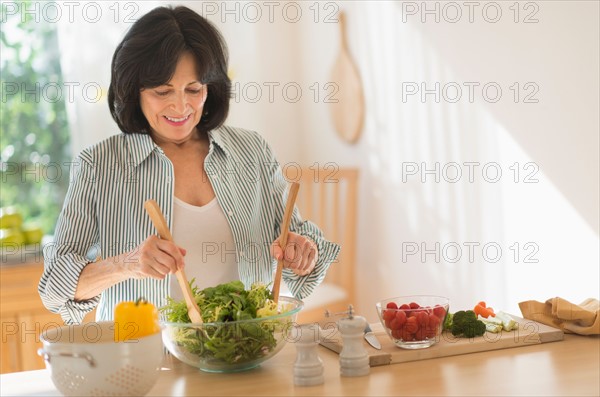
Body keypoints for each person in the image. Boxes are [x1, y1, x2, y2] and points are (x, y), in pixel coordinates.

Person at [39, 5, 340, 324]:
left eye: (193, 90)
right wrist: (129, 264)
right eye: (162, 91)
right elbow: (54, 287)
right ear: (134, 91)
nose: (180, 106)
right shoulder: (100, 164)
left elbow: (298, 253)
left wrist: (302, 254)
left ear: (211, 88)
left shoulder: (252, 151)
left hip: (244, 350)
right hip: (143, 358)